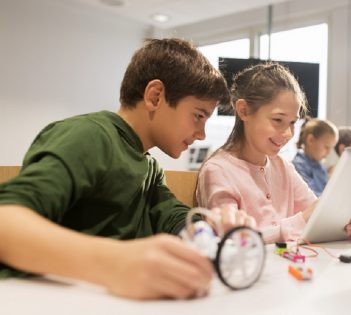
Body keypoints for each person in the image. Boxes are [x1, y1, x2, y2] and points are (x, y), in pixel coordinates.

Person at [0, 38, 255, 300]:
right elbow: (5, 220)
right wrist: (113, 262)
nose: (201, 134)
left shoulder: (148, 165)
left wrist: (207, 227)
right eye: (198, 115)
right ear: (155, 96)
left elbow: (170, 214)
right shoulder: (90, 136)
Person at [196, 63, 351, 243]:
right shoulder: (218, 170)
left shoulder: (282, 166)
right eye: (278, 120)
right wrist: (301, 220)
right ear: (244, 111)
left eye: (293, 122)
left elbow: (317, 215)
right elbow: (232, 241)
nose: (288, 133)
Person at [292, 118, 338, 196]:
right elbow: (310, 196)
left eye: (331, 148)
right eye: (326, 147)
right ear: (310, 140)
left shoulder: (320, 166)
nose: (329, 152)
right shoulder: (298, 165)